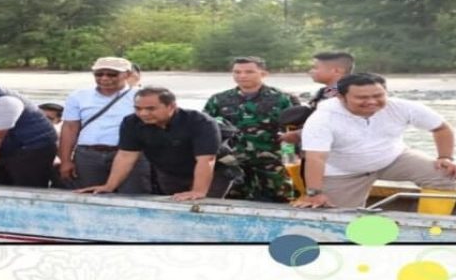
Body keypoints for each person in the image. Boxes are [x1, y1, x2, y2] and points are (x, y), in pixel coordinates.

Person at [293, 73, 456, 213]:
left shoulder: (403, 107)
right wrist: (314, 193)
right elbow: (316, 158)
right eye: (362, 97)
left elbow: (441, 128)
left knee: (445, 175)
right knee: (330, 214)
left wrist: (445, 157)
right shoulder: (322, 118)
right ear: (341, 97)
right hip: (343, 171)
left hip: (392, 158)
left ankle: (432, 227)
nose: (372, 101)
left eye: (378, 96)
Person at [77, 87, 234, 201]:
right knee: (172, 209)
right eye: (138, 109)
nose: (143, 114)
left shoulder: (200, 122)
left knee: (200, 206)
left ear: (171, 106)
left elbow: (207, 160)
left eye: (151, 109)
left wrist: (198, 191)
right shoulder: (131, 122)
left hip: (213, 172)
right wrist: (109, 186)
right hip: (169, 173)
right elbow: (126, 156)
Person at [203, 56, 300, 202]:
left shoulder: (283, 99)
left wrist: (291, 160)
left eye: (249, 72)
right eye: (237, 72)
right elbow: (206, 129)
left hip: (272, 163)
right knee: (231, 203)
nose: (242, 76)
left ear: (263, 73)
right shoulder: (218, 99)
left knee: (279, 202)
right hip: (232, 163)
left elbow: (295, 131)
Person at [58, 57, 151, 193]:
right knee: (89, 195)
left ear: (127, 74)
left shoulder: (141, 97)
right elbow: (69, 128)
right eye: (99, 74)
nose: (104, 78)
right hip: (88, 155)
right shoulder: (78, 96)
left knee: (133, 195)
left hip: (129, 154)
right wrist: (65, 161)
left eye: (112, 74)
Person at [279, 52, 355, 144]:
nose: (311, 71)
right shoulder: (328, 91)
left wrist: (298, 134)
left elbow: (341, 125)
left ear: (336, 71)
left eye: (315, 68)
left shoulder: (348, 94)